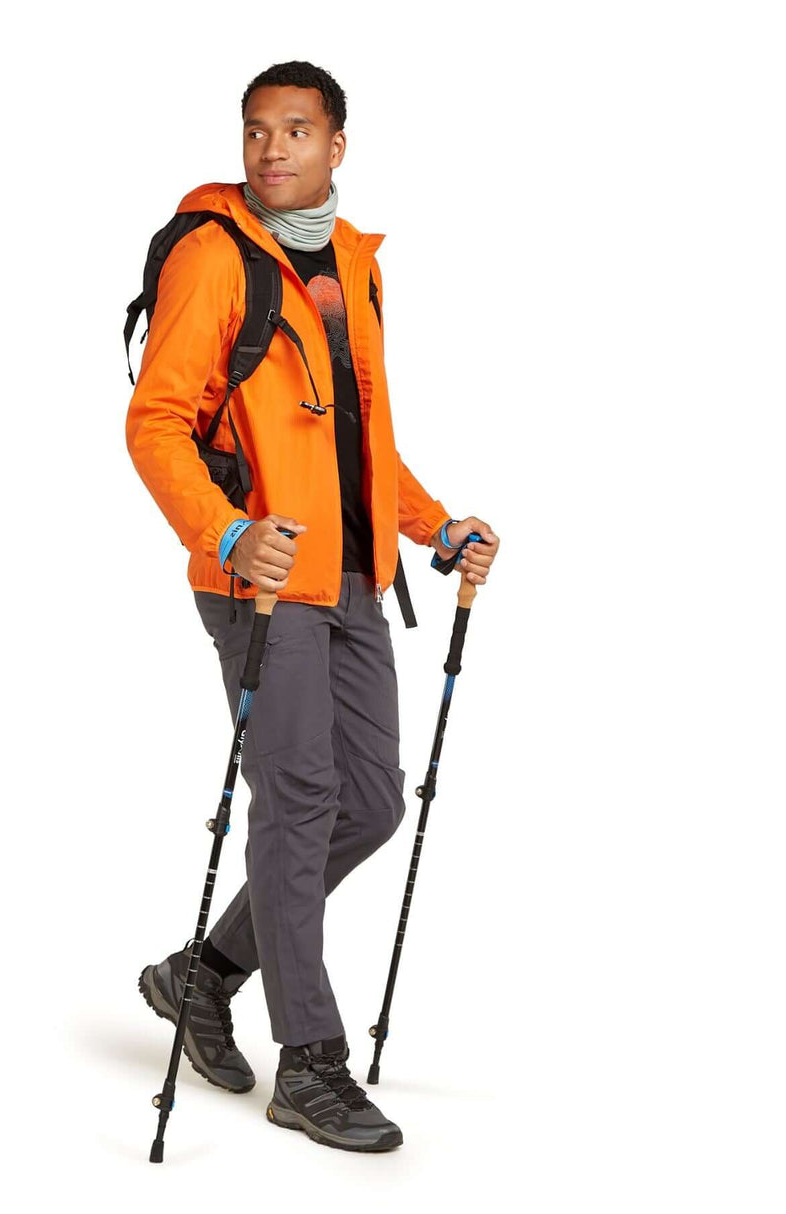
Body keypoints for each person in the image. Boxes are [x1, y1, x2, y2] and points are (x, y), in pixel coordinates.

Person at [127, 60, 500, 1153]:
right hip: (261, 579)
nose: (271, 148)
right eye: (256, 130)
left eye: (295, 130)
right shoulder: (212, 255)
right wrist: (227, 533)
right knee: (296, 803)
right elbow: (154, 420)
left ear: (337, 145)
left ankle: (202, 974)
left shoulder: (351, 264)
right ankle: (311, 1063)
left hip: (350, 574)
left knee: (369, 802)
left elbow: (359, 439)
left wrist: (434, 527)